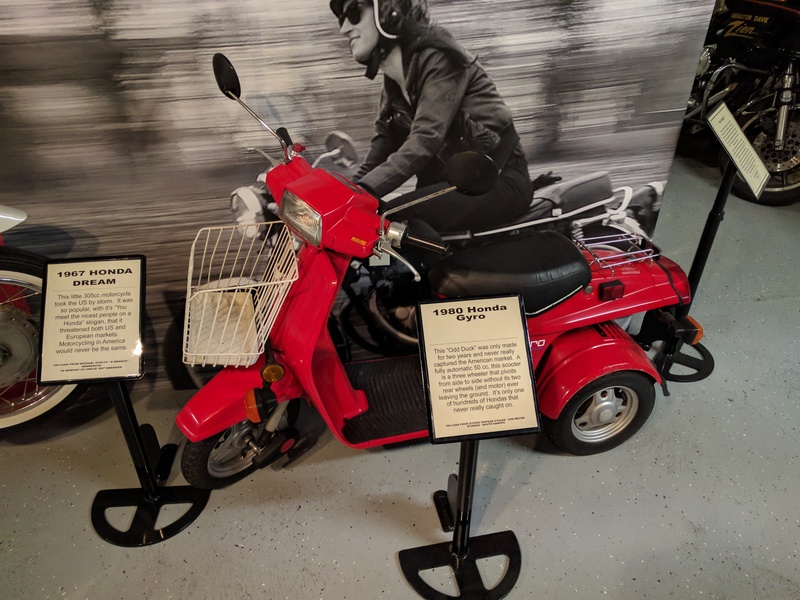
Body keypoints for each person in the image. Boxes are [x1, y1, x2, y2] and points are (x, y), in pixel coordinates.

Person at [330, 0, 542, 234]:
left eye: (354, 13)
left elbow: (424, 140)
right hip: (454, 185)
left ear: (387, 12)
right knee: (368, 220)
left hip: (496, 180)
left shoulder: (439, 58)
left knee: (390, 224)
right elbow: (379, 154)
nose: (344, 28)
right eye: (341, 19)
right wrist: (344, 194)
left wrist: (362, 192)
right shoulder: (394, 85)